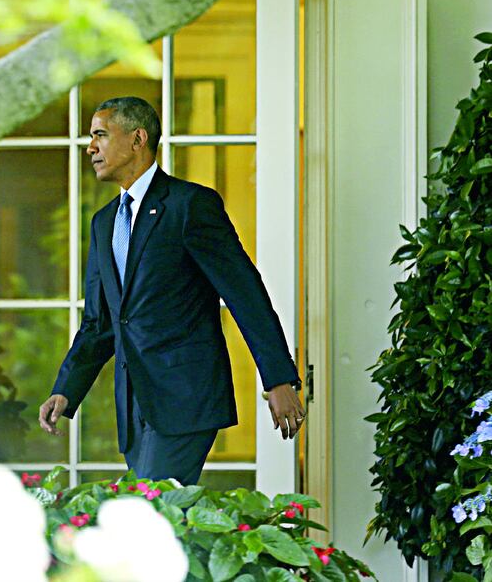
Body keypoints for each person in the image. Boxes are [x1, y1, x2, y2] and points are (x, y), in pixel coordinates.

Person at [37, 96, 304, 485]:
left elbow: (244, 292)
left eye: (100, 135)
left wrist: (278, 379)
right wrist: (66, 389)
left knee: (150, 514)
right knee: (157, 519)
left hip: (185, 397)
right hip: (134, 405)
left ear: (137, 139)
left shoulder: (190, 205)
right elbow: (101, 322)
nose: (90, 147)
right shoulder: (104, 222)